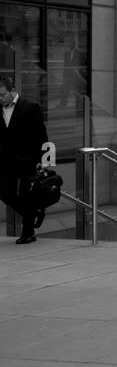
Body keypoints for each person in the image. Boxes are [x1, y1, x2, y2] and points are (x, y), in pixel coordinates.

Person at [0, 77, 49, 244]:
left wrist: (46, 160)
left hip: (29, 159)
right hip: (6, 161)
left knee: (27, 194)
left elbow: (42, 135)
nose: (0, 98)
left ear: (12, 91)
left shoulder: (31, 107)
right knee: (4, 192)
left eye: (2, 95)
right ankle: (32, 213)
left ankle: (28, 233)